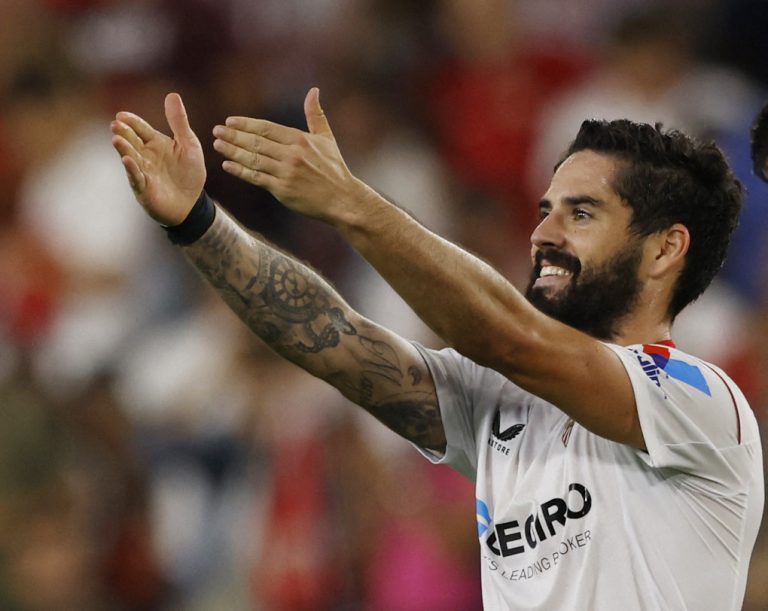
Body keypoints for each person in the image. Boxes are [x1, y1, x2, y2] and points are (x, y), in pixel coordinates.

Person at [110, 89, 764, 610]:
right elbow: (334, 338)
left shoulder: (697, 402)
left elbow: (508, 336)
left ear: (665, 248)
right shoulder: (502, 408)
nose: (542, 232)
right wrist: (197, 221)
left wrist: (352, 203)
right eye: (544, 208)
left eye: (581, 213)